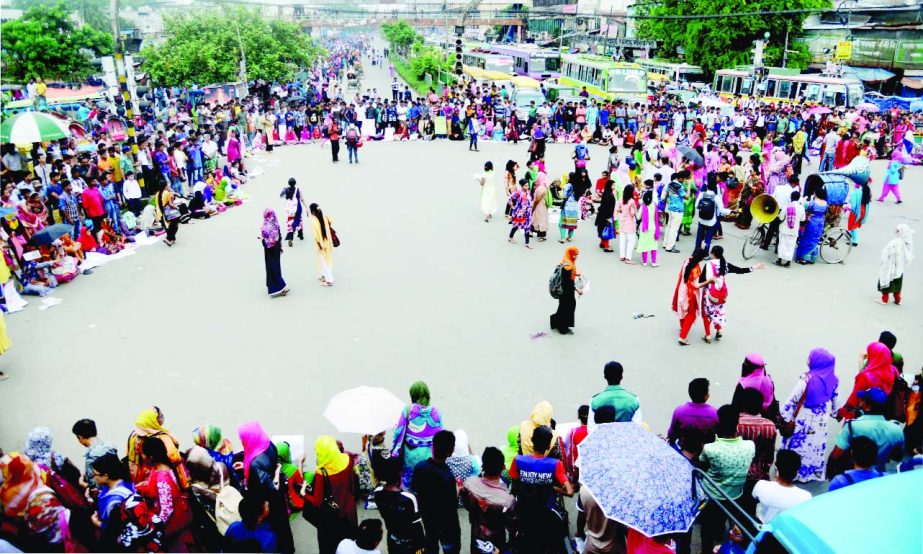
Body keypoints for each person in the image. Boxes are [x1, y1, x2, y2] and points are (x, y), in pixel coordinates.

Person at [509, 426, 574, 554]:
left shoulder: (518, 460)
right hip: (547, 512)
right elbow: (570, 492)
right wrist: (553, 487)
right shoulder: (555, 464)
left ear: (532, 440)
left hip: (524, 510)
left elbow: (514, 482)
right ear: (549, 444)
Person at [699, 405, 755, 553]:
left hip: (713, 496)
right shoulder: (750, 446)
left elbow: (702, 462)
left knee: (707, 531)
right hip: (735, 496)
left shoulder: (710, 449)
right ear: (737, 423)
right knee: (732, 527)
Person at [779, 348, 841, 482]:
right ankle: (809, 472)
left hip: (803, 417)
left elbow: (793, 399)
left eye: (810, 357)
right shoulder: (834, 380)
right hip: (820, 420)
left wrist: (783, 416)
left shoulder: (806, 379)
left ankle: (791, 472)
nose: (808, 359)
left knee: (799, 444)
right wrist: (836, 413)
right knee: (814, 444)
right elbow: (836, 401)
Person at [237, 420, 295, 554]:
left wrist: (251, 469)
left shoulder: (256, 464)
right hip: (277, 502)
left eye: (242, 438)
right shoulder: (268, 444)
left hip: (269, 506)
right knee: (284, 529)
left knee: (275, 534)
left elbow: (272, 490)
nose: (241, 441)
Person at [136, 437, 197, 552]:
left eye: (142, 454)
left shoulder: (162, 477)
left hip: (173, 529)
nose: (141, 457)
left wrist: (155, 529)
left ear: (151, 457)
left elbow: (167, 509)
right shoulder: (162, 467)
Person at [303, 436, 359, 553]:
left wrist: (304, 493)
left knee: (330, 546)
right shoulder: (347, 459)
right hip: (349, 511)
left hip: (332, 517)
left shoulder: (321, 474)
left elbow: (317, 502)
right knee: (349, 543)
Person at [829, 387, 904, 473]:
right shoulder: (897, 429)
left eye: (863, 401)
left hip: (856, 473)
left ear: (868, 407)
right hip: (880, 473)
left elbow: (836, 455)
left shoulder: (852, 426)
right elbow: (897, 456)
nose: (860, 403)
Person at [699, 245, 763, 342]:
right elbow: (740, 270)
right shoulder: (725, 265)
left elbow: (701, 280)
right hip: (722, 294)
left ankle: (708, 336)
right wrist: (755, 267)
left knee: (707, 314)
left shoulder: (708, 265)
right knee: (718, 312)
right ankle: (719, 330)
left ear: (712, 254)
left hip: (709, 294)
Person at [411, 430, 460, 554]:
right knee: (450, 547)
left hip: (428, 517)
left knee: (431, 544)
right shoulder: (447, 476)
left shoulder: (419, 467)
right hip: (447, 522)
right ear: (451, 451)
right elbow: (452, 504)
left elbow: (415, 489)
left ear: (432, 446)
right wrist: (458, 490)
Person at [460, 447, 516, 554]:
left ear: (482, 466)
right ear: (503, 467)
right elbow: (513, 527)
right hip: (497, 541)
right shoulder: (508, 499)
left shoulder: (469, 483)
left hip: (476, 536)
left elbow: (467, 504)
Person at [391, 381, 444, 489]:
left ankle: (410, 503)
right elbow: (441, 434)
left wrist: (395, 447)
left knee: (409, 485)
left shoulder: (408, 409)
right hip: (430, 456)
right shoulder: (436, 412)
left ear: (413, 395)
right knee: (427, 485)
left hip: (411, 456)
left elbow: (398, 432)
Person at [737, 388, 778, 514]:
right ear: (761, 406)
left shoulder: (736, 423)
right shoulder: (770, 426)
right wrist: (766, 469)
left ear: (743, 404)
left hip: (737, 473)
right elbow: (770, 454)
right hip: (758, 474)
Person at [373, 458, 425, 554]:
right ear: (400, 474)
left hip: (393, 539)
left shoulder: (377, 492)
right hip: (412, 543)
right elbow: (416, 524)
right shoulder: (409, 498)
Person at [839, 342, 900, 421]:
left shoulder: (865, 376)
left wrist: (842, 413)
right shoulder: (893, 372)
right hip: (884, 417)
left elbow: (854, 398)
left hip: (864, 418)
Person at [751, 450, 811, 523]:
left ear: (776, 466)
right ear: (796, 472)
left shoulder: (761, 485)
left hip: (760, 527)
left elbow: (754, 496)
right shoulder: (805, 497)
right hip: (781, 532)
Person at [672, 250, 708, 345]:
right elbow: (696, 285)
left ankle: (683, 327)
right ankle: (683, 337)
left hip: (682, 289)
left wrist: (701, 248)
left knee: (681, 309)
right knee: (691, 314)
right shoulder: (696, 269)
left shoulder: (687, 261)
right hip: (690, 293)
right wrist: (708, 281)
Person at [667, 378, 719, 444]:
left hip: (685, 449)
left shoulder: (679, 411)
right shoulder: (715, 414)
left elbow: (672, 434)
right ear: (706, 396)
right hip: (707, 449)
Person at [72, 418, 117, 488]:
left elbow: (94, 487)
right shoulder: (111, 447)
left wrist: (83, 485)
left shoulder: (91, 456)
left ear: (80, 437)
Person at [549, 246, 582, 335]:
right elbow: (567, 283)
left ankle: (555, 321)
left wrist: (575, 274)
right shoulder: (568, 267)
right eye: (575, 255)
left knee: (563, 307)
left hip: (563, 291)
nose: (576, 256)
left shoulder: (566, 261)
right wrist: (577, 289)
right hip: (566, 292)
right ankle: (562, 328)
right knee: (567, 308)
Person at [878, 223, 913, 305]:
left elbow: (887, 253)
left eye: (898, 230)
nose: (896, 232)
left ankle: (884, 299)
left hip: (890, 266)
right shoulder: (906, 243)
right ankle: (897, 300)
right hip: (899, 268)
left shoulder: (895, 242)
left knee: (886, 280)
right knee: (897, 284)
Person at [794, 187, 827, 264]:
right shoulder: (825, 203)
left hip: (812, 222)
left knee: (807, 238)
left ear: (816, 194)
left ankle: (805, 257)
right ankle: (812, 257)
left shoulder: (813, 202)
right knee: (815, 239)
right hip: (820, 222)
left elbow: (805, 207)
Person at [260, 208, 289, 297]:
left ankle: (276, 288)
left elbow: (265, 242)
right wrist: (280, 246)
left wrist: (265, 241)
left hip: (270, 251)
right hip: (274, 250)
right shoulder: (275, 224)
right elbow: (279, 236)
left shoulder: (264, 227)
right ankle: (280, 287)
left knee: (271, 267)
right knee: (275, 267)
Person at [775, 190, 805, 267]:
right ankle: (788, 262)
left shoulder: (786, 207)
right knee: (791, 246)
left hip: (784, 229)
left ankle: (779, 261)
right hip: (794, 231)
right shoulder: (801, 208)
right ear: (798, 198)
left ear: (791, 197)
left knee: (782, 245)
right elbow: (802, 219)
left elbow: (781, 218)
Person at [309, 203, 336, 286]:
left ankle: (329, 280)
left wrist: (320, 246)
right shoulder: (324, 217)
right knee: (327, 259)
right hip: (327, 242)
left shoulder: (313, 221)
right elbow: (330, 221)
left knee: (323, 262)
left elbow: (316, 236)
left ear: (313, 212)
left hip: (321, 244)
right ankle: (325, 275)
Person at [636, 188, 660, 267]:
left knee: (644, 244)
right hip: (653, 227)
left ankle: (644, 262)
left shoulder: (643, 206)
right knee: (653, 245)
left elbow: (638, 217)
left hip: (644, 228)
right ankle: (653, 262)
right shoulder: (655, 206)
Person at [507, 179, 533, 249]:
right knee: (516, 226)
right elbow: (509, 199)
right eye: (525, 186)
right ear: (522, 186)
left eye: (528, 185)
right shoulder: (518, 193)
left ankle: (527, 243)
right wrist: (513, 207)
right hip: (520, 213)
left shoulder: (528, 192)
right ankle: (510, 237)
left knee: (527, 227)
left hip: (527, 213)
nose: (527, 187)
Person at [615, 184, 638, 263]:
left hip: (622, 221)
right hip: (629, 223)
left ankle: (622, 256)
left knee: (622, 240)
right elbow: (634, 212)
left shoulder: (621, 199)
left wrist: (623, 212)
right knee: (631, 240)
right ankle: (628, 258)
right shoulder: (631, 201)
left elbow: (617, 209)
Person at [847, 178, 871, 246]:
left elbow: (853, 203)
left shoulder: (858, 192)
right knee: (856, 225)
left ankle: (855, 240)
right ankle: (853, 238)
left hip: (856, 211)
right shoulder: (868, 190)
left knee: (853, 225)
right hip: (863, 210)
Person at [156, 181, 180, 247]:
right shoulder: (168, 193)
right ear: (165, 186)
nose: (169, 186)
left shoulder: (157, 193)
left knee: (167, 226)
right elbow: (171, 204)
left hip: (160, 212)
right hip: (168, 212)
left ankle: (172, 239)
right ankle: (169, 238)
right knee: (175, 225)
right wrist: (177, 207)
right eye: (168, 185)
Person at [282, 178, 305, 247]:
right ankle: (300, 235)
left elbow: (281, 195)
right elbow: (302, 199)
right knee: (299, 221)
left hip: (290, 209)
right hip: (297, 208)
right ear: (295, 183)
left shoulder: (286, 189)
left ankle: (290, 239)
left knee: (290, 223)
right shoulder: (298, 189)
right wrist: (307, 208)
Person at [595, 180, 615, 252]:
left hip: (601, 214)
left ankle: (602, 243)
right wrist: (609, 216)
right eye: (613, 185)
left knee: (602, 228)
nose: (614, 187)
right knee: (607, 229)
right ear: (609, 186)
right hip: (607, 215)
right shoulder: (609, 195)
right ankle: (606, 246)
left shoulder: (606, 193)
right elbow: (609, 207)